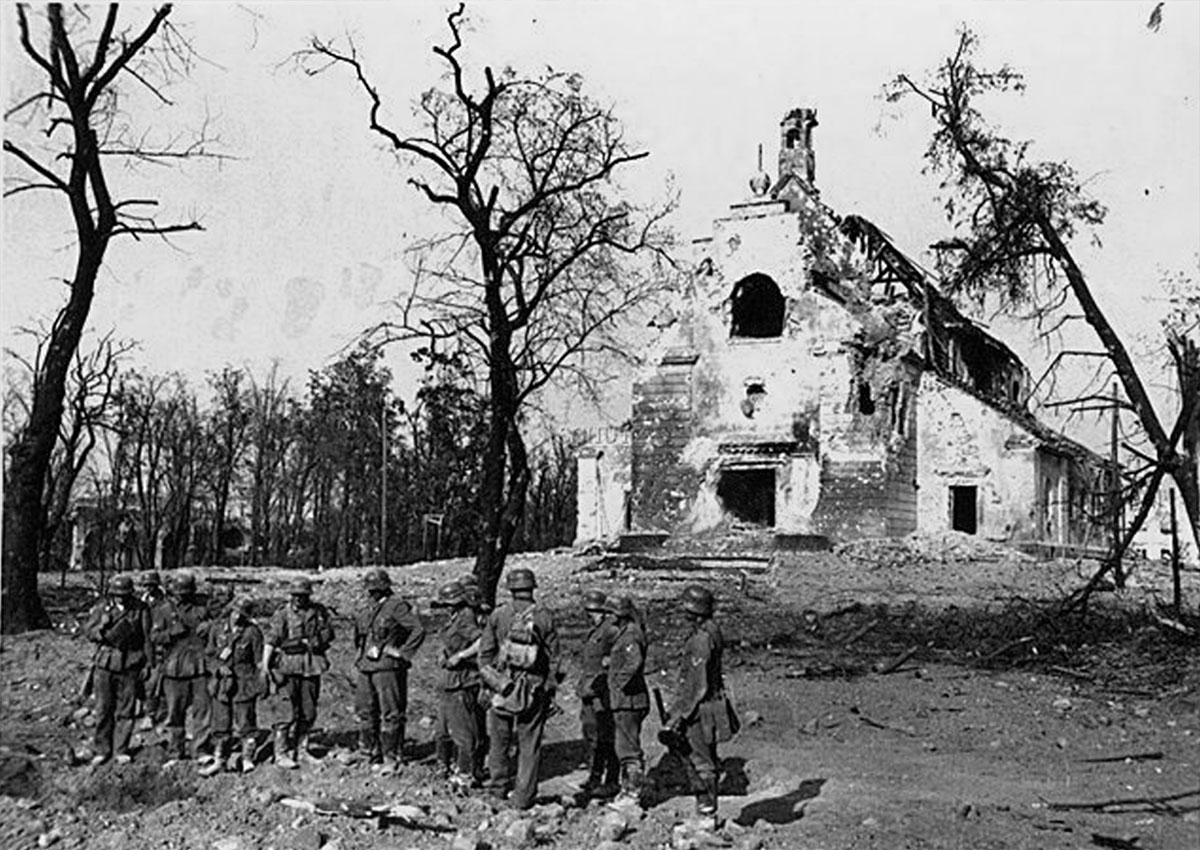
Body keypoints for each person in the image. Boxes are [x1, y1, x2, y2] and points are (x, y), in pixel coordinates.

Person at [478, 568, 561, 810]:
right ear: (532, 588)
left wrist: (489, 683)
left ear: (511, 589)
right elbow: (555, 659)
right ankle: (523, 798)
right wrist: (549, 689)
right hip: (534, 689)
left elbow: (485, 654)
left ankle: (496, 790)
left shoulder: (498, 615)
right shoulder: (545, 617)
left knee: (499, 741)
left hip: (502, 686)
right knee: (530, 745)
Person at [351, 568, 425, 773]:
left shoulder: (396, 606)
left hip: (387, 668)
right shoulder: (368, 607)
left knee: (391, 712)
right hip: (367, 665)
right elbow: (360, 635)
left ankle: (391, 756)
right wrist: (359, 654)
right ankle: (368, 751)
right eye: (370, 589)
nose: (372, 593)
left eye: (376, 589)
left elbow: (417, 629)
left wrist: (402, 653)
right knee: (365, 709)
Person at [667, 585, 731, 822]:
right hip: (709, 705)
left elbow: (699, 685)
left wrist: (681, 714)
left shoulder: (701, 639)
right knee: (705, 757)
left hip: (700, 708)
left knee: (700, 760)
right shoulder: (711, 631)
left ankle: (706, 813)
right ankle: (707, 810)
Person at [262, 576, 335, 770]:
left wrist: (314, 641)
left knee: (308, 711)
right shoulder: (283, 614)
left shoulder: (319, 612)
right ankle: (281, 752)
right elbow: (271, 640)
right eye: (295, 595)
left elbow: (329, 633)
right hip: (288, 666)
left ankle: (302, 750)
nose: (299, 599)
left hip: (311, 666)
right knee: (285, 711)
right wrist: (265, 666)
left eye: (303, 595)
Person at [83, 575, 152, 766]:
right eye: (117, 594)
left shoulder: (140, 609)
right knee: (103, 709)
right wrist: (101, 628)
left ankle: (121, 749)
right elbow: (88, 630)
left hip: (130, 664)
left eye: (124, 595)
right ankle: (102, 749)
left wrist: (148, 664)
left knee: (126, 710)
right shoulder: (103, 608)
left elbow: (147, 638)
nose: (121, 598)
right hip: (105, 664)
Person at [150, 571, 212, 766]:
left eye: (186, 593)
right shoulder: (163, 610)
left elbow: (221, 624)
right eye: (179, 593)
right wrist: (171, 634)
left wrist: (209, 626)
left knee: (203, 711)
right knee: (175, 713)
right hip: (175, 667)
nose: (183, 596)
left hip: (201, 666)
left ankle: (200, 749)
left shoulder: (203, 607)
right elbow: (154, 637)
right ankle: (176, 750)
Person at [202, 596, 265, 775]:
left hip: (244, 683)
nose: (237, 617)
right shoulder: (217, 630)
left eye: (242, 614)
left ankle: (247, 758)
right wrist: (218, 668)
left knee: (246, 723)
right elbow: (209, 656)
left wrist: (259, 683)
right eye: (235, 612)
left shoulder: (252, 632)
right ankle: (219, 760)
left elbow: (259, 661)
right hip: (222, 684)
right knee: (221, 724)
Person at [432, 580, 483, 787]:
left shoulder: (466, 617)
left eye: (447, 603)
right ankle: (444, 766)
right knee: (442, 730)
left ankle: (465, 774)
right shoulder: (454, 618)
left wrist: (461, 656)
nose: (445, 607)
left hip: (461, 683)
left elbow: (482, 642)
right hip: (448, 682)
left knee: (463, 733)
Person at [607, 595, 650, 806]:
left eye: (610, 613)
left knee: (628, 749)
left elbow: (634, 662)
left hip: (629, 701)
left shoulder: (631, 635)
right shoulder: (627, 633)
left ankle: (632, 794)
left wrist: (617, 682)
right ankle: (627, 790)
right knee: (624, 746)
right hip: (627, 700)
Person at [578, 588, 619, 797]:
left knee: (606, 737)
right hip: (588, 691)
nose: (589, 615)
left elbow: (619, 657)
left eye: (593, 611)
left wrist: (608, 664)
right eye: (588, 611)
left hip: (603, 693)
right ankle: (594, 776)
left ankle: (611, 779)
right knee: (590, 735)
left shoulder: (610, 630)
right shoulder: (595, 630)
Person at [138, 571, 168, 729]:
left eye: (151, 585)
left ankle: (152, 714)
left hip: (160, 647)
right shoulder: (141, 603)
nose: (148, 588)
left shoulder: (165, 603)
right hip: (143, 645)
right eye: (145, 585)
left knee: (154, 682)